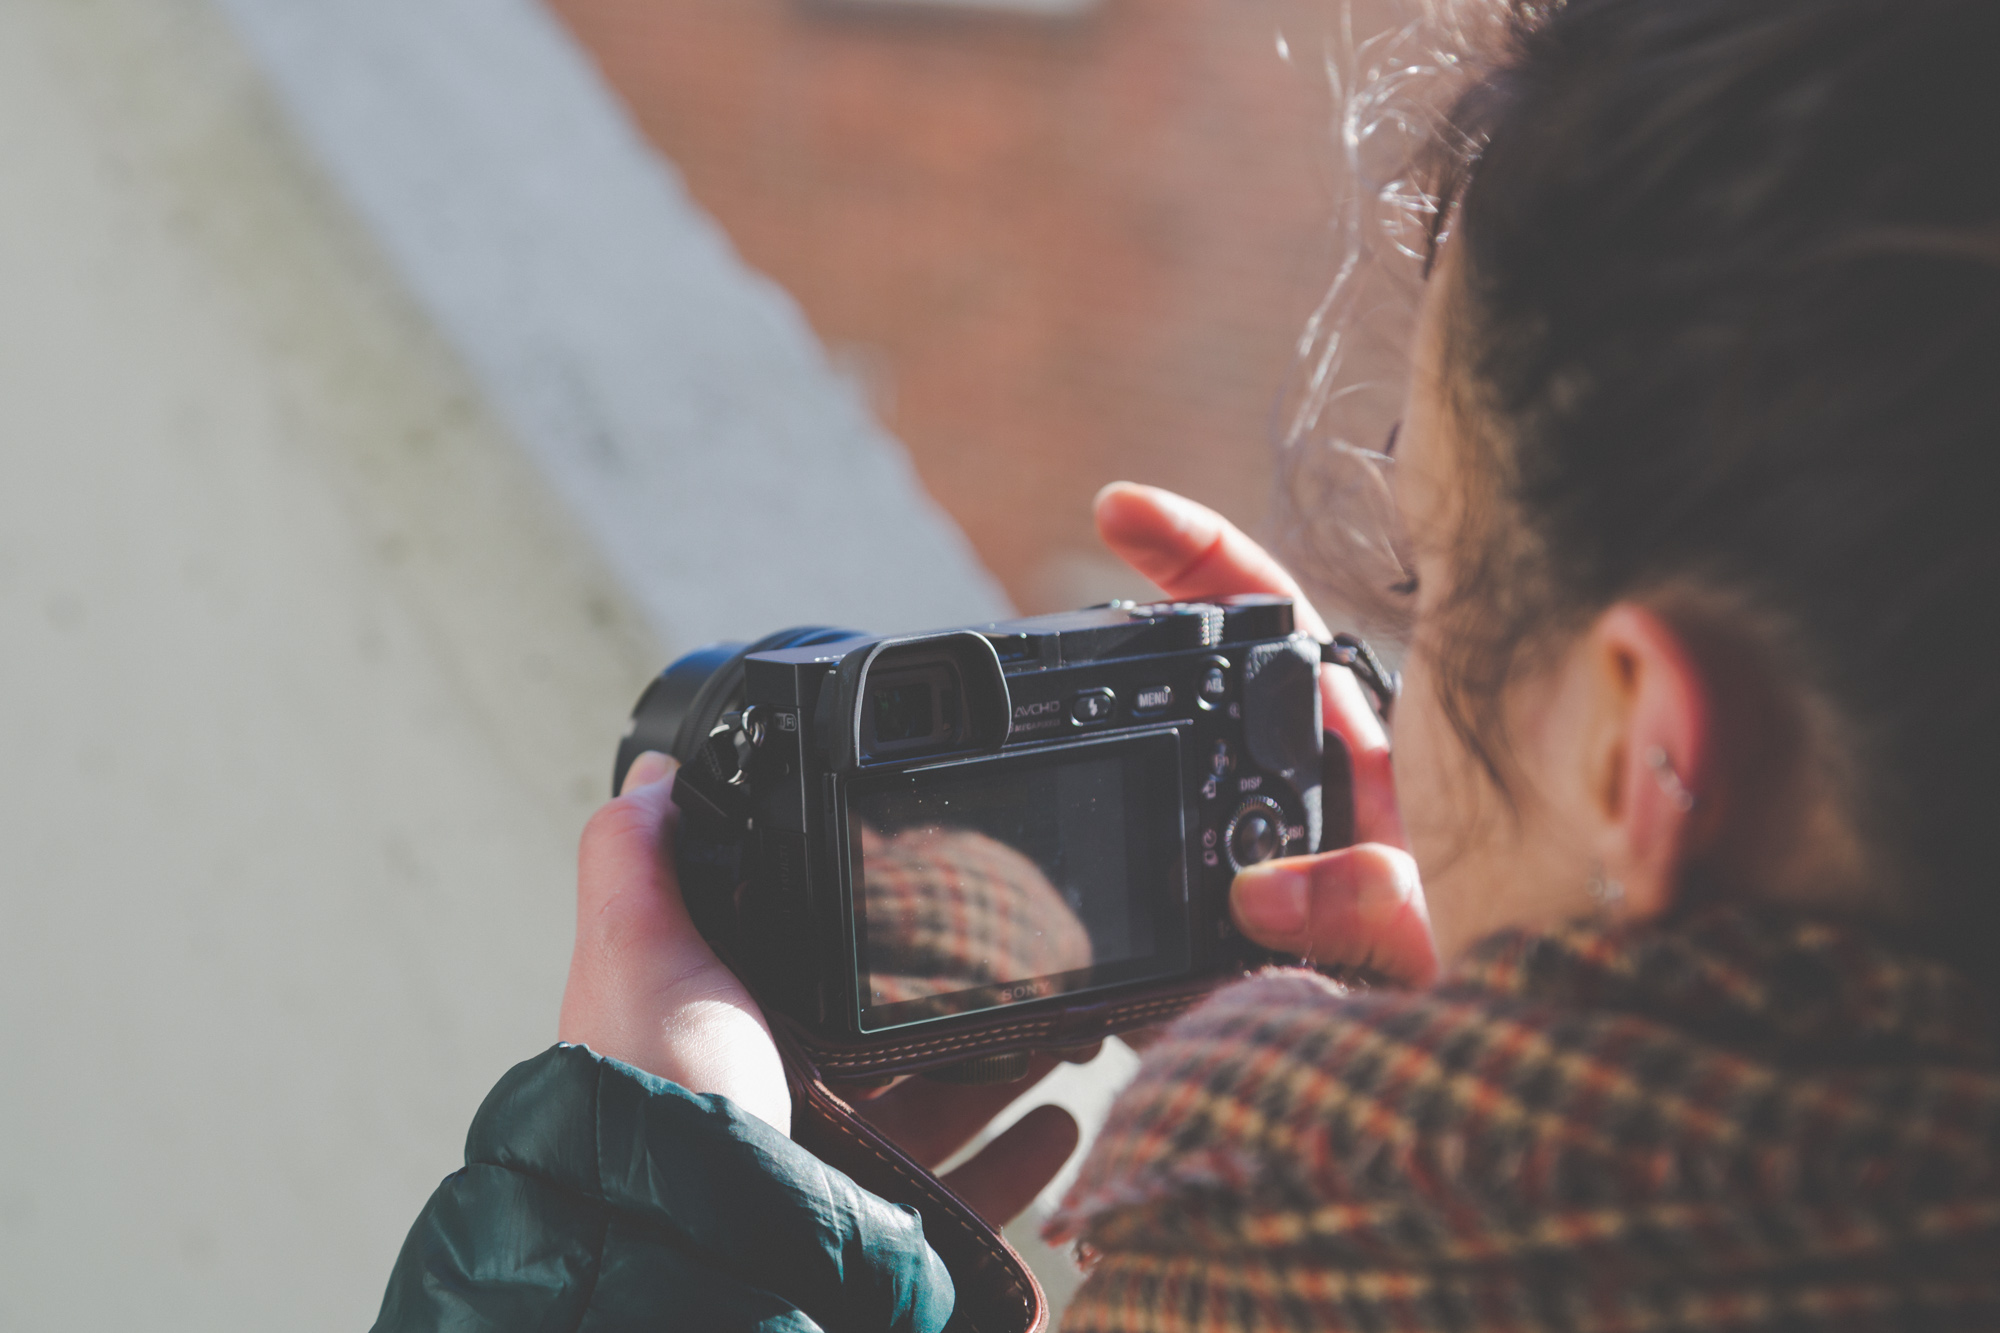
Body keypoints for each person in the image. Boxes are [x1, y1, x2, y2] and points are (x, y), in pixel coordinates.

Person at [373, 0, 2000, 1327]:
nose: (1407, 717)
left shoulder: (1289, 1266)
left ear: (1645, 753)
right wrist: (1578, 978)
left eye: (1434, 587)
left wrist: (618, 1282)